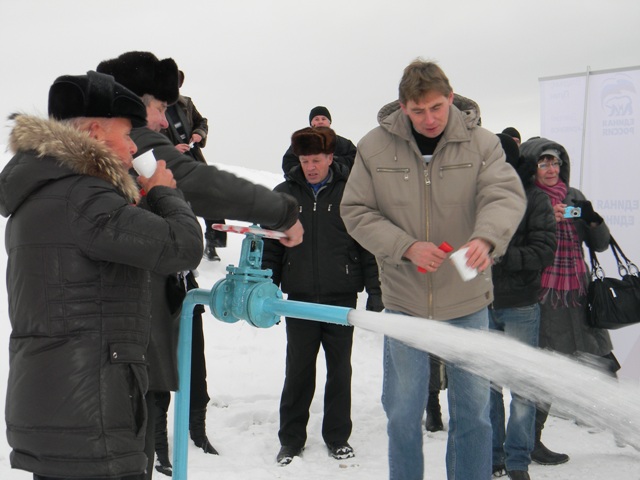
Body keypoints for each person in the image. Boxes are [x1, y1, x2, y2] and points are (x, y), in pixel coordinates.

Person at [96, 51, 304, 479]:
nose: (160, 121)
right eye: (157, 108)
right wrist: (281, 212)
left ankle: (177, 440)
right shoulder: (132, 143)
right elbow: (200, 184)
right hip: (128, 313)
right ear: (134, 104)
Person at [0, 71, 204, 480]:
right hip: (96, 417)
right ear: (95, 130)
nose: (133, 147)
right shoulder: (86, 197)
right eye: (128, 133)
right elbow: (183, 246)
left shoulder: (39, 192)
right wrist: (164, 191)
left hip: (53, 410)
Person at [340, 59, 527, 480]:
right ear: (403, 106)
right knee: (402, 414)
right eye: (419, 110)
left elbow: (504, 195)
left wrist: (485, 238)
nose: (430, 119)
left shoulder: (481, 144)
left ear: (451, 98)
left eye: (438, 108)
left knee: (474, 415)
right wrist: (405, 247)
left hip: (468, 301)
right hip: (405, 301)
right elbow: (355, 211)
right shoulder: (373, 147)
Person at [262, 126, 384, 466]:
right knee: (298, 370)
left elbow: (368, 246)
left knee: (339, 370)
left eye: (316, 159)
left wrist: (376, 292)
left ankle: (337, 437)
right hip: (298, 298)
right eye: (304, 160)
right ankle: (291, 440)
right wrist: (267, 288)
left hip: (340, 297)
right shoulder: (284, 195)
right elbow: (270, 247)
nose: (310, 167)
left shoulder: (352, 194)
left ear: (331, 158)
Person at [519, 137, 619, 467]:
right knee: (546, 372)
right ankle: (531, 441)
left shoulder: (573, 198)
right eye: (544, 162)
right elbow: (518, 240)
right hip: (545, 298)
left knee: (603, 361)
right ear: (532, 166)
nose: (551, 169)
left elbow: (600, 244)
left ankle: (627, 425)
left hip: (578, 293)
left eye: (556, 162)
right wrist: (548, 218)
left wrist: (591, 218)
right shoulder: (524, 199)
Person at [489, 134, 557, 480]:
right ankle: (493, 456)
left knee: (521, 387)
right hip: (480, 304)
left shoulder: (534, 199)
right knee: (485, 386)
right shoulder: (478, 195)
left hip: (520, 306)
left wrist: (501, 257)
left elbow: (545, 250)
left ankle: (517, 461)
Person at [162, 69, 226, 262]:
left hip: (193, 159)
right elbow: (148, 137)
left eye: (176, 83)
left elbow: (202, 122)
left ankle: (213, 245)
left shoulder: (186, 103)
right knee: (178, 206)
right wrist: (171, 148)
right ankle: (180, 249)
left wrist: (199, 133)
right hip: (170, 166)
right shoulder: (152, 107)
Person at [281, 106, 357, 175]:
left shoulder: (344, 143)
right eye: (316, 119)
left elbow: (356, 161)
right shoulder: (301, 142)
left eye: (323, 119)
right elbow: (288, 163)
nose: (320, 121)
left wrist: (334, 162)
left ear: (329, 122)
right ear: (311, 123)